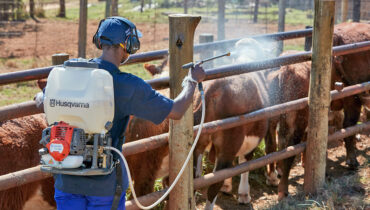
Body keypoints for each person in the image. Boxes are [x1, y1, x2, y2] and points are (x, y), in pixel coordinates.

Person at [53, 16, 205, 210]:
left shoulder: (71, 72)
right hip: (103, 183)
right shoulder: (128, 85)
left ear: (99, 41)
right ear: (128, 45)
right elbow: (176, 110)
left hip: (66, 178)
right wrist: (192, 80)